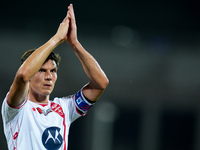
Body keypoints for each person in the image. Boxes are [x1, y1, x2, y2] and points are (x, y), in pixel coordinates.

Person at [1, 3, 109, 150]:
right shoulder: (16, 108)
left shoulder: (64, 108)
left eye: (53, 71)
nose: (49, 76)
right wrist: (57, 38)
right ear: (32, 75)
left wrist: (75, 44)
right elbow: (22, 76)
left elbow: (100, 84)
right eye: (42, 70)